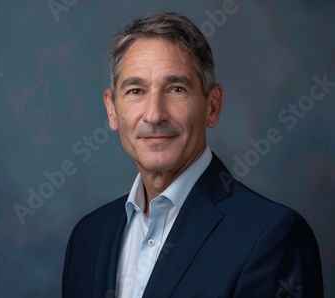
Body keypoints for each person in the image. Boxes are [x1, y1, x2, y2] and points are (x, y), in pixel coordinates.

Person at [62, 12, 324, 298]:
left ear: (212, 107)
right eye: (136, 91)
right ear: (112, 109)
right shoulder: (88, 237)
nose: (154, 114)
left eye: (176, 89)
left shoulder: (272, 236)